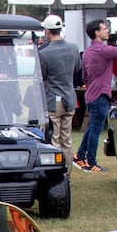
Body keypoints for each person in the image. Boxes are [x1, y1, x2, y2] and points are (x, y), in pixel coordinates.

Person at [76, 11, 117, 172]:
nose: (107, 31)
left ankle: (80, 156)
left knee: (92, 127)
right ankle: (91, 161)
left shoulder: (88, 52)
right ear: (97, 33)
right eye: (104, 29)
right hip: (100, 95)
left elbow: (85, 76)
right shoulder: (102, 51)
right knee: (96, 129)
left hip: (91, 94)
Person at [39, 15, 81, 172]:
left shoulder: (45, 53)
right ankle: (68, 175)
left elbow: (42, 76)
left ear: (48, 31)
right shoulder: (73, 48)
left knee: (54, 139)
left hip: (53, 100)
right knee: (67, 140)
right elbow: (77, 68)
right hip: (69, 97)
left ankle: (56, 173)